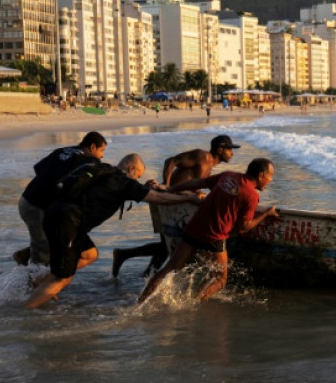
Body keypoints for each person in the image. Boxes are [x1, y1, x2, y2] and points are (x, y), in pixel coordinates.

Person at [25, 153, 202, 309]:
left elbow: (142, 191)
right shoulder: (123, 183)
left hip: (54, 214)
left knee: (89, 254)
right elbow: (158, 199)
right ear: (131, 168)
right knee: (62, 278)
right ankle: (25, 313)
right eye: (137, 175)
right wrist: (190, 198)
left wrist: (148, 187)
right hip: (67, 223)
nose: (136, 180)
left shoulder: (101, 169)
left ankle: (40, 283)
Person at [138, 158, 279, 303]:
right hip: (214, 236)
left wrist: (170, 189)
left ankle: (140, 301)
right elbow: (243, 228)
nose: (270, 179)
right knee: (220, 279)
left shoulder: (228, 175)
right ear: (261, 175)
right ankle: (194, 303)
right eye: (270, 175)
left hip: (194, 227)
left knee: (170, 268)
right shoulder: (252, 195)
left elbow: (197, 183)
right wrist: (266, 214)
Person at [110, 135, 240, 277]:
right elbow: (171, 161)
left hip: (173, 202)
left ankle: (140, 269)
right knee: (169, 246)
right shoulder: (202, 156)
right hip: (168, 201)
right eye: (229, 149)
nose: (232, 153)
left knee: (166, 247)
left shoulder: (210, 166)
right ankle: (130, 260)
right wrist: (167, 184)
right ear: (220, 150)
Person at [13, 131, 108, 266]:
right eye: (101, 150)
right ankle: (35, 283)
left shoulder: (62, 151)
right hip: (37, 207)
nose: (102, 155)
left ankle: (24, 257)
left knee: (53, 241)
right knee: (43, 255)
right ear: (93, 147)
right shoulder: (90, 161)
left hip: (26, 200)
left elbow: (39, 169)